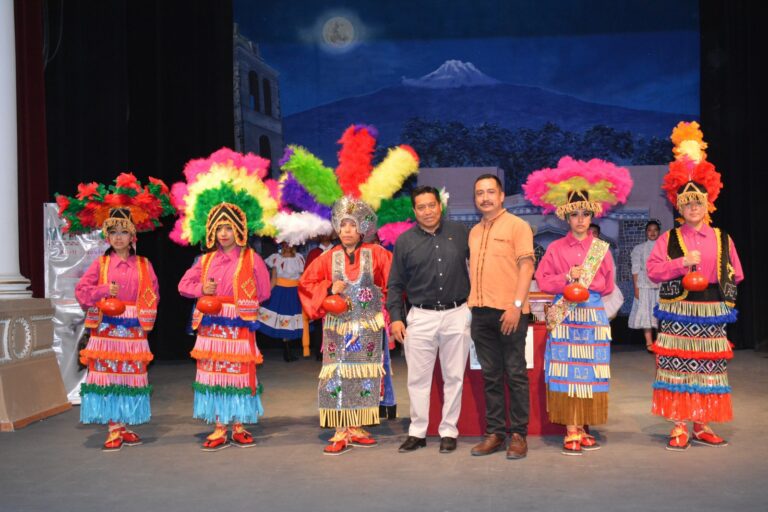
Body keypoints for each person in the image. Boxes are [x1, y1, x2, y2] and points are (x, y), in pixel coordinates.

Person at [58, 173, 174, 451]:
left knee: (129, 377)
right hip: (107, 329)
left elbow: (154, 293)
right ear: (107, 236)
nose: (118, 237)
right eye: (113, 233)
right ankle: (113, 427)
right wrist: (102, 292)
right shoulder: (100, 265)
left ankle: (124, 425)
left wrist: (144, 315)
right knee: (109, 376)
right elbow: (82, 292)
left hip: (133, 328)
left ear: (132, 236)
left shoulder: (144, 264)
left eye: (123, 232)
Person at [525, 156, 632, 456]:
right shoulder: (555, 248)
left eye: (585, 214)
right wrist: (566, 278)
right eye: (575, 214)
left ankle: (583, 426)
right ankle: (571, 428)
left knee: (590, 371)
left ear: (591, 215)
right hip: (565, 317)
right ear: (567, 218)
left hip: (593, 316)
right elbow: (543, 279)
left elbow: (608, 285)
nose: (581, 219)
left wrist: (586, 282)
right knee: (567, 371)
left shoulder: (601, 249)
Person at [171, 148, 277, 451]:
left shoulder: (251, 258)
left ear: (239, 229)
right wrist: (203, 290)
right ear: (211, 231)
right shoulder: (204, 261)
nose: (224, 233)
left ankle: (239, 425)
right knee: (214, 374)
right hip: (211, 327)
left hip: (239, 325)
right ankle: (219, 427)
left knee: (240, 375)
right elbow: (183, 285)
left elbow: (264, 291)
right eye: (219, 228)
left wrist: (243, 299)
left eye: (228, 227)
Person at [646, 122, 743, 451]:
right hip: (678, 310)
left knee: (708, 369)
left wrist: (723, 295)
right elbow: (653, 271)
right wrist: (681, 263)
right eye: (687, 204)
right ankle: (679, 425)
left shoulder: (722, 237)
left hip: (711, 311)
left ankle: (702, 424)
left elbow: (736, 274)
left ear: (707, 204)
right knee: (677, 369)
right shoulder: (668, 239)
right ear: (680, 207)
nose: (693, 208)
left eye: (698, 203)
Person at [299, 197, 393, 455]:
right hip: (337, 329)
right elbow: (306, 284)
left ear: (361, 228)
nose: (347, 230)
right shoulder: (327, 258)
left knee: (364, 376)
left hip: (367, 327)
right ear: (337, 230)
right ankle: (341, 429)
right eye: (343, 226)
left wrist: (384, 307)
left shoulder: (377, 254)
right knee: (338, 375)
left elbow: (394, 282)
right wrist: (329, 288)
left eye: (352, 225)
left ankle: (357, 426)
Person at [387, 186, 470, 454]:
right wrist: (396, 318)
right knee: (417, 379)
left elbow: (479, 268)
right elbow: (395, 284)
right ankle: (417, 432)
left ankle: (449, 431)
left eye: (431, 205)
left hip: (457, 313)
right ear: (414, 211)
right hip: (420, 316)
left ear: (440, 206)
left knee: (454, 376)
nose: (428, 211)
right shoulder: (405, 241)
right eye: (421, 207)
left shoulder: (460, 233)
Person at [467, 174, 535, 459]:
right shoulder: (474, 231)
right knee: (491, 376)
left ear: (502, 195)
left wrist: (516, 306)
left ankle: (518, 435)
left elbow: (527, 267)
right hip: (480, 313)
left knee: (516, 374)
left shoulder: (518, 226)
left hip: (510, 312)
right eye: (479, 193)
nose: (485, 197)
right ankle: (495, 433)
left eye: (490, 192)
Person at [259, 242, 307, 362]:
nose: (287, 246)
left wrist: (306, 294)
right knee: (282, 321)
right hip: (280, 292)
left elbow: (302, 279)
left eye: (289, 244)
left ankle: (288, 351)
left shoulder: (299, 258)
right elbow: (274, 279)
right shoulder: (276, 258)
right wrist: (265, 295)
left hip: (295, 293)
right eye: (285, 244)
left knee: (291, 321)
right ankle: (287, 351)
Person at [629, 220, 662, 352]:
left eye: (655, 230)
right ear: (646, 232)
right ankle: (649, 342)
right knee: (646, 312)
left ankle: (659, 342)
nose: (652, 232)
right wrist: (636, 288)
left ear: (659, 232)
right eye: (649, 230)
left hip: (661, 284)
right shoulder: (639, 248)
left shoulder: (664, 247)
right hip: (644, 284)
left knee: (659, 313)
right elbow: (635, 270)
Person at [306, 234, 335, 360]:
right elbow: (308, 274)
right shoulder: (314, 253)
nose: (325, 235)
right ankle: (320, 351)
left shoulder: (338, 250)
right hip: (319, 292)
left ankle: (335, 351)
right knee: (319, 323)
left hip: (336, 291)